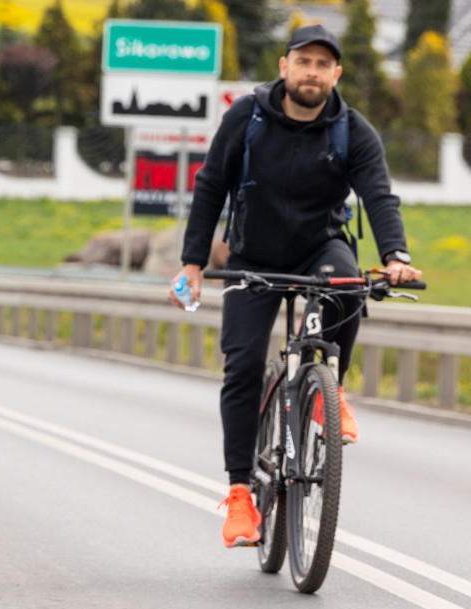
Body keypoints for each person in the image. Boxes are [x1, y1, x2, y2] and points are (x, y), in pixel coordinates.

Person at [167, 25, 422, 549]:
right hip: (252, 257)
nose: (312, 72)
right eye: (303, 61)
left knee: (349, 282)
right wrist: (194, 263)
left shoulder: (353, 130)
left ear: (336, 74)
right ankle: (240, 494)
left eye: (322, 64)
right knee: (241, 365)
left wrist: (396, 256)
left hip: (318, 249)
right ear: (284, 67)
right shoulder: (247, 117)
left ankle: (331, 389)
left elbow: (378, 195)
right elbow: (211, 185)